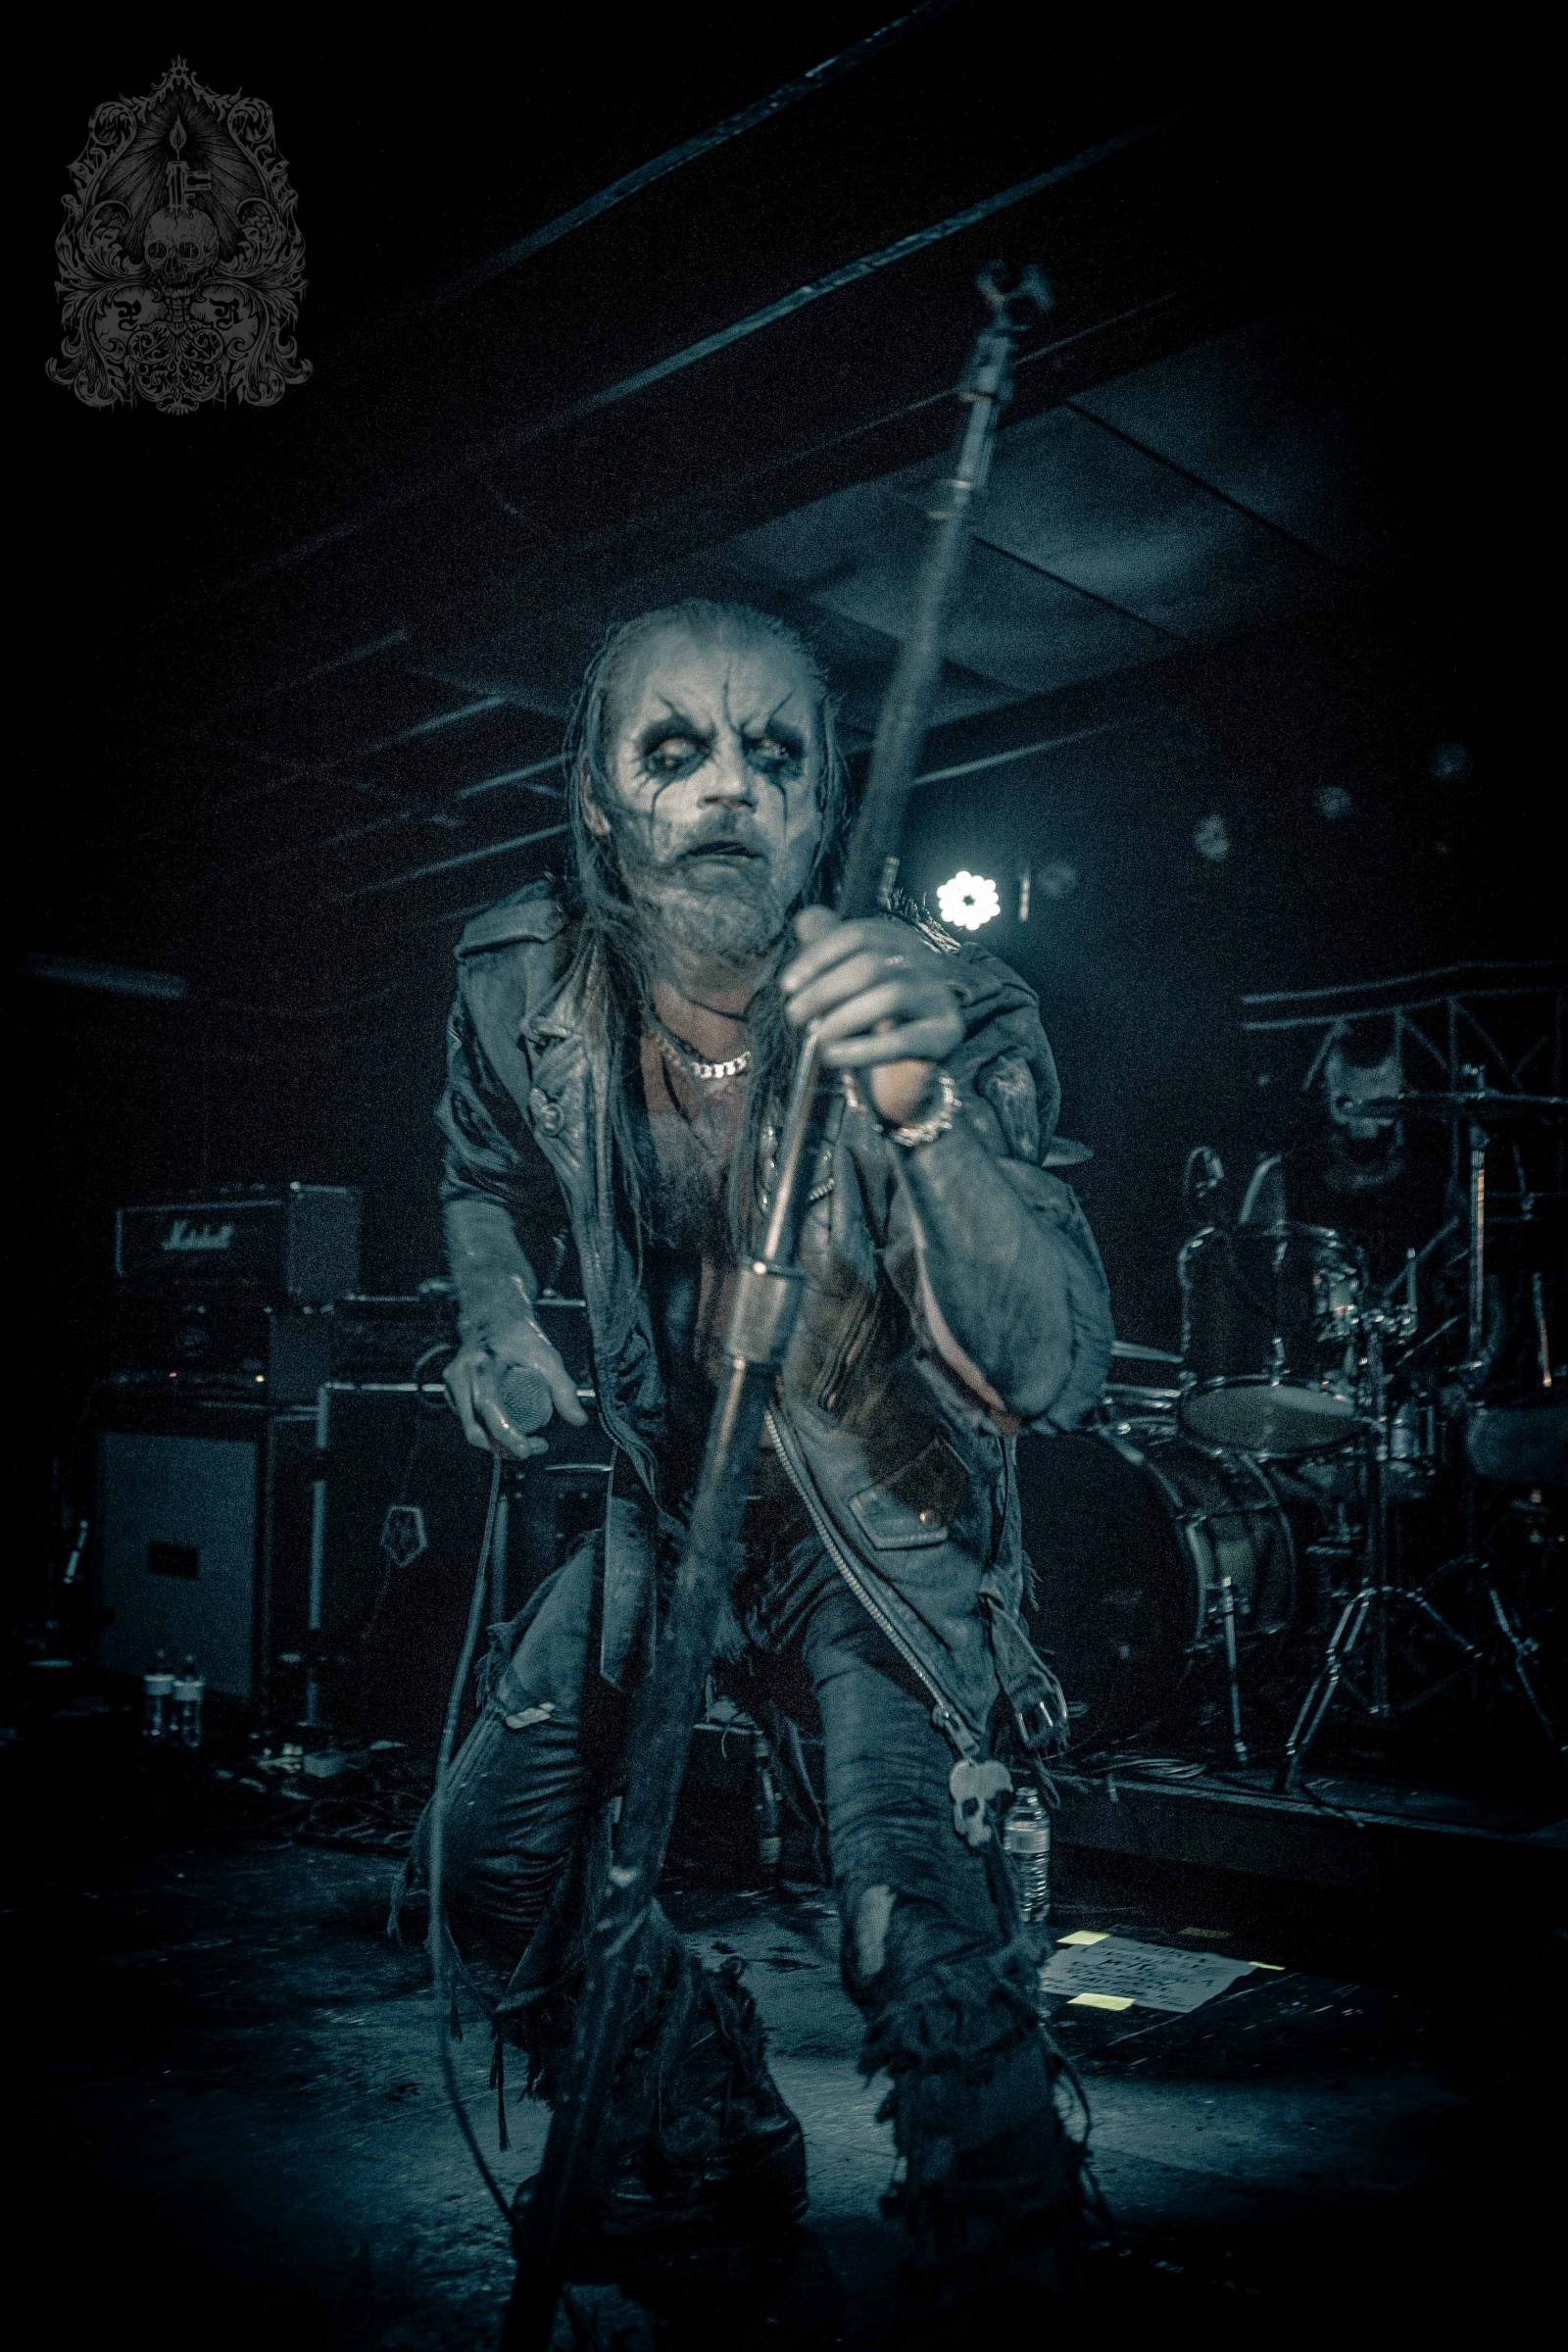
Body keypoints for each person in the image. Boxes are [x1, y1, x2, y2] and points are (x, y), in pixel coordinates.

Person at [402, 599, 1114, 2323]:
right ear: (599, 800)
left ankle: (1011, 2274)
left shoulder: (954, 1004)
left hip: (884, 1519)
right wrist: (498, 1325)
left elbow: (1055, 1364)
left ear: (822, 803)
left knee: (916, 1937)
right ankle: (701, 2119)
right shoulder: (516, 983)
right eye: (676, 750)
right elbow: (478, 1174)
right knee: (488, 1868)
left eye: (772, 754)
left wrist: (923, 1110)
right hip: (668, 1507)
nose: (728, 785)